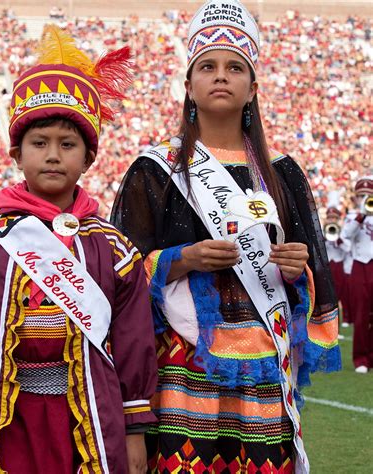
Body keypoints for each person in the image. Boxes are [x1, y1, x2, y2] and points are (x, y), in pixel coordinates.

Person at [111, 1, 340, 472]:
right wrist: (186, 258)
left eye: (235, 67)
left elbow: (311, 269)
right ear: (189, 85)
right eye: (208, 66)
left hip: (264, 360)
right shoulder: (155, 171)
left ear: (252, 87)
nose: (221, 75)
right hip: (184, 359)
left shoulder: (283, 174)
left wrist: (298, 268)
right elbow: (121, 270)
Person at [0, 26, 157, 473]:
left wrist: (134, 430)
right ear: (16, 153)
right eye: (39, 143)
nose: (53, 155)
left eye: (67, 144)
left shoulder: (113, 249)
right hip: (4, 415)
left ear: (88, 158)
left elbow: (133, 340)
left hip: (88, 414)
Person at [340, 176, 373, 373]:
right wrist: (362, 214)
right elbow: (345, 236)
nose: (366, 198)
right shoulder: (354, 217)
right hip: (360, 266)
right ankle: (361, 359)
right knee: (361, 315)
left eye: (369, 196)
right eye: (363, 195)